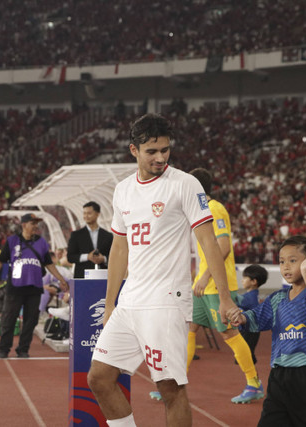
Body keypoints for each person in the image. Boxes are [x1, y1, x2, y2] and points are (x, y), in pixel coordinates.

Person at [86, 113, 237, 427]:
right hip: (130, 301)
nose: (160, 157)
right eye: (152, 151)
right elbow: (119, 248)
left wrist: (224, 298)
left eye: (165, 150)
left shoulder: (185, 184)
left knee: (170, 389)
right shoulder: (123, 190)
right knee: (99, 378)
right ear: (134, 151)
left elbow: (209, 243)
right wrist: (111, 302)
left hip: (166, 301)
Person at [148, 168, 263, 404]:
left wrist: (205, 276)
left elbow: (223, 247)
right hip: (203, 284)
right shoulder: (200, 211)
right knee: (190, 329)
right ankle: (175, 383)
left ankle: (254, 383)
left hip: (216, 284)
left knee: (228, 332)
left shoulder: (214, 209)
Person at [229, 236, 306, 427]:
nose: (286, 266)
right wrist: (241, 317)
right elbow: (256, 317)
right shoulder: (277, 299)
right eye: (282, 261)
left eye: (293, 261)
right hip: (279, 376)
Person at [0, 213, 69, 359]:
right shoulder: (12, 241)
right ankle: (4, 349)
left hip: (34, 288)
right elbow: (0, 260)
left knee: (31, 320)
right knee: (8, 319)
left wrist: (61, 279)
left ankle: (23, 349)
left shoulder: (42, 243)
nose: (36, 226)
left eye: (37, 223)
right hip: (15, 287)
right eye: (33, 223)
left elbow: (49, 264)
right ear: (24, 225)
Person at [67, 201, 113, 278]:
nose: (86, 216)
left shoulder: (108, 235)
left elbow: (113, 256)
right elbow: (70, 257)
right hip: (82, 277)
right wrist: (87, 257)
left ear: (97, 214)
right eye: (84, 213)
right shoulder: (76, 235)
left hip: (103, 277)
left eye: (89, 213)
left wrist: (103, 259)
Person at [238, 264, 268, 364]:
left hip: (249, 330)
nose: (242, 280)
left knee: (245, 356)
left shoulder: (249, 298)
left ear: (254, 282)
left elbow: (234, 300)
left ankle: (253, 377)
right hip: (253, 330)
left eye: (245, 278)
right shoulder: (254, 295)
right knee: (248, 354)